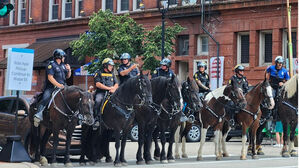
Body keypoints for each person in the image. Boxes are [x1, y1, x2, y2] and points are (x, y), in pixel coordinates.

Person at [33, 49, 71, 127]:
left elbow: (68, 76)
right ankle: (39, 114)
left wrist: (69, 70)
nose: (64, 58)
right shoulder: (51, 65)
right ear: (59, 56)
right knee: (46, 98)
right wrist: (58, 85)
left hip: (63, 87)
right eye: (63, 56)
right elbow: (50, 77)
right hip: (51, 87)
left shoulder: (63, 66)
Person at [152, 58, 188, 122]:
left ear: (168, 66)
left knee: (177, 99)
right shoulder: (157, 71)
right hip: (158, 90)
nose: (162, 66)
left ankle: (180, 114)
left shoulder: (171, 73)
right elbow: (153, 80)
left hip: (167, 91)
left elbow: (174, 81)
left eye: (164, 65)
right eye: (162, 65)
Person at [94, 58, 118, 122]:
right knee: (98, 100)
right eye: (110, 65)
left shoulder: (112, 73)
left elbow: (116, 83)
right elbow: (98, 84)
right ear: (105, 65)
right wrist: (109, 88)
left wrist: (113, 88)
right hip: (101, 92)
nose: (111, 67)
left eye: (112, 66)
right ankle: (96, 117)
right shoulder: (98, 72)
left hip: (112, 92)